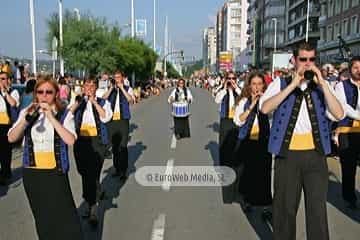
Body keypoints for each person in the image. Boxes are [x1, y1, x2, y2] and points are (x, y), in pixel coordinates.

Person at [260, 42, 344, 240]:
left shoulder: (322, 87)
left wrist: (323, 83)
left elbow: (339, 114)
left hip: (316, 156)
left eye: (312, 60)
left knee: (317, 211)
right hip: (287, 156)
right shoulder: (280, 83)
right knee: (285, 210)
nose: (308, 64)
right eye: (303, 59)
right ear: (294, 60)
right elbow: (264, 108)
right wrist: (292, 85)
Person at [7, 76, 83, 240]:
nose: (44, 96)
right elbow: (11, 138)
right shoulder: (26, 112)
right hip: (33, 174)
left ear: (56, 94)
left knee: (66, 217)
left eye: (49, 92)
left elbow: (70, 140)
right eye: (40, 92)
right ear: (36, 94)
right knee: (43, 218)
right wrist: (25, 121)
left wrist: (51, 117)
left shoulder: (64, 114)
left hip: (55, 172)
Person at [70, 77, 113, 227]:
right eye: (86, 85)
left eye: (91, 85)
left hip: (97, 141)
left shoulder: (103, 102)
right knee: (83, 172)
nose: (88, 87)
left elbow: (106, 117)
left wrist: (94, 101)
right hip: (81, 141)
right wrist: (78, 102)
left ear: (96, 87)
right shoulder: (77, 101)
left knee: (93, 173)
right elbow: (67, 115)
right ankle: (91, 200)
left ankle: (92, 207)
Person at [233, 72, 272, 219]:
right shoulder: (244, 101)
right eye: (254, 84)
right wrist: (252, 106)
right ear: (249, 86)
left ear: (264, 85)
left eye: (259, 84)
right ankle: (247, 200)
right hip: (247, 141)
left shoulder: (269, 101)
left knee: (264, 173)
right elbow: (238, 120)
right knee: (247, 173)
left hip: (264, 141)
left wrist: (263, 102)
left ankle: (266, 205)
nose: (256, 87)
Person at [333, 56, 360, 209]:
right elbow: (343, 106)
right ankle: (349, 197)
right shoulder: (341, 86)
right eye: (356, 67)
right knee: (348, 167)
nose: (359, 70)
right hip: (347, 131)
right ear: (350, 70)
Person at [102, 70, 135, 179]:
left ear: (122, 78)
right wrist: (111, 88)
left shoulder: (128, 88)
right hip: (112, 121)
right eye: (115, 77)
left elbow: (131, 100)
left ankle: (123, 171)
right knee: (115, 146)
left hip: (123, 120)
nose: (116, 79)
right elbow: (103, 99)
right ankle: (117, 168)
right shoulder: (111, 89)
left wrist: (121, 88)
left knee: (123, 146)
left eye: (118, 77)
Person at [215, 71, 242, 167]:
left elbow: (245, 98)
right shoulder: (222, 89)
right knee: (224, 142)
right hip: (225, 119)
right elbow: (217, 100)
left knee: (236, 143)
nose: (231, 80)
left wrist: (236, 88)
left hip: (236, 120)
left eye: (233, 78)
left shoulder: (239, 90)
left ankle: (233, 164)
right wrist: (225, 88)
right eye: (229, 78)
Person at [0, 71, 20, 185]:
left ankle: (6, 174)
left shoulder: (13, 92)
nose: (2, 81)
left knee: (5, 151)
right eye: (0, 79)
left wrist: (5, 92)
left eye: (3, 79)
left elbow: (13, 103)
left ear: (8, 80)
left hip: (6, 125)